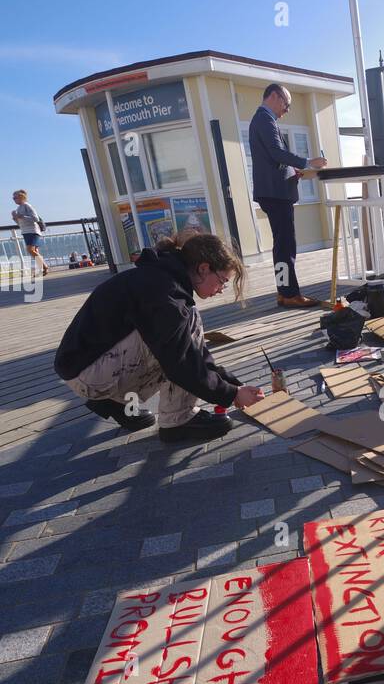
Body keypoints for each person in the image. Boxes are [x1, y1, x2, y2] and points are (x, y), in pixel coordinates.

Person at [55, 232, 265, 443]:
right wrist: (230, 395)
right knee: (179, 339)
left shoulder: (163, 281)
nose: (221, 290)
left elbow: (196, 353)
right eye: (222, 281)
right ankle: (178, 420)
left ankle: (115, 402)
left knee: (184, 326)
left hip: (87, 367)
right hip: (89, 374)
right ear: (203, 268)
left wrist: (234, 387)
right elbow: (181, 361)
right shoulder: (164, 293)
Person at [248, 83, 327, 309]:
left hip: (273, 191)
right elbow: (276, 152)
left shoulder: (262, 119)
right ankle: (290, 294)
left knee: (281, 245)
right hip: (276, 193)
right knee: (285, 245)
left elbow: (274, 159)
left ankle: (284, 292)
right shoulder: (265, 119)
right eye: (286, 103)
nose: (287, 109)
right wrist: (307, 162)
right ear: (274, 96)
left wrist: (295, 171)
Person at [11, 190, 49, 276]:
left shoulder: (27, 206)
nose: (14, 200)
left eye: (15, 198)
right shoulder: (19, 208)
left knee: (30, 250)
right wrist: (15, 218)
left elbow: (35, 218)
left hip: (32, 231)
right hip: (26, 231)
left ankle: (45, 267)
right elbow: (21, 224)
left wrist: (21, 216)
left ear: (21, 197)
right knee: (34, 251)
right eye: (13, 198)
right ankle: (42, 269)